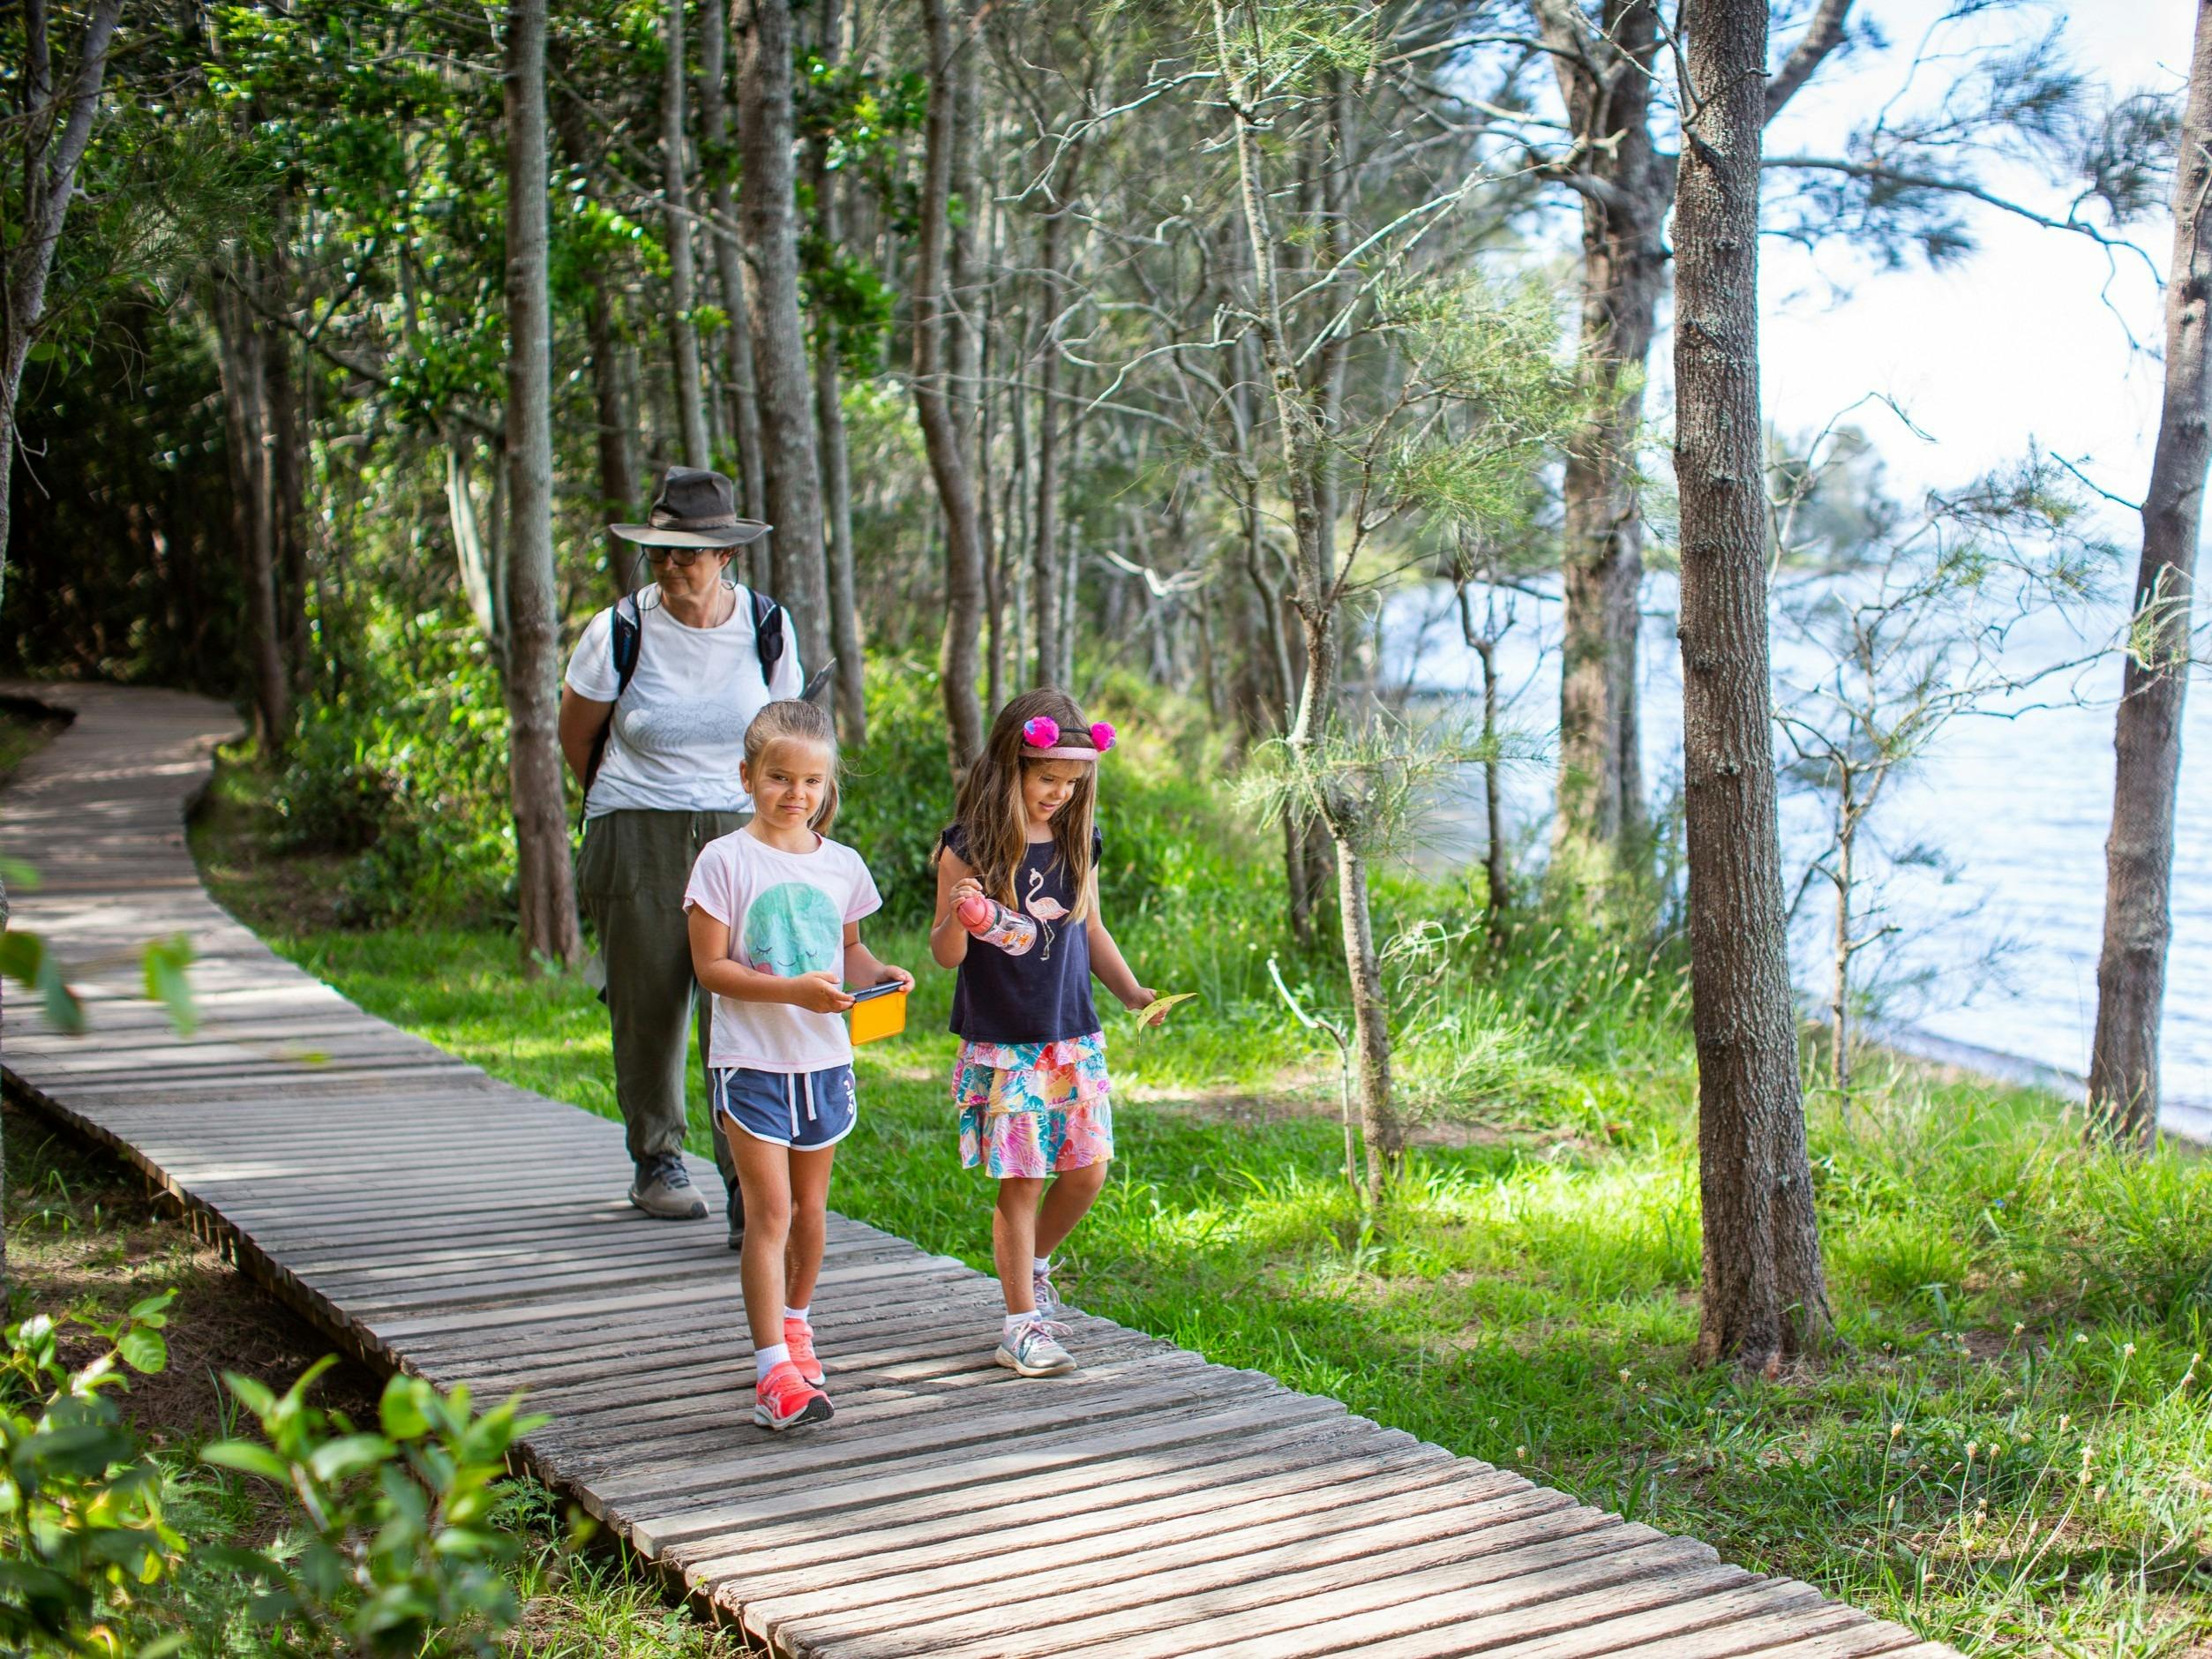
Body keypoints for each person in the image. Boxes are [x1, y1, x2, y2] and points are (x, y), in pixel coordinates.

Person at [559, 466, 804, 1239]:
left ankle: (743, 1179)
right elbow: (578, 735)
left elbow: (785, 733)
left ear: (725, 556)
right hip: (637, 828)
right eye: (659, 551)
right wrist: (629, 806)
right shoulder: (618, 629)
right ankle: (656, 1159)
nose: (670, 565)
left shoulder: (766, 625)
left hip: (739, 832)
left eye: (687, 553)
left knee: (742, 1003)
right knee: (650, 1005)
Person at [686, 700, 909, 1430]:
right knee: (769, 1211)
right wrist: (792, 992)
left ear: (827, 786)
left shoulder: (842, 865)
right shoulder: (723, 860)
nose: (796, 795)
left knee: (812, 1211)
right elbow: (711, 968)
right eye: (779, 777)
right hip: (750, 1061)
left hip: (824, 1061)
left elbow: (849, 951)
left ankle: (797, 1323)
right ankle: (769, 1371)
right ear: (747, 775)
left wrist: (879, 975)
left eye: (811, 781)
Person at [929, 688, 1160, 1377]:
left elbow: (1086, 925)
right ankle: (1020, 1323)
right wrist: (959, 916)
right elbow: (944, 955)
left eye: (1071, 782)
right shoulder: (967, 846)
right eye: (1046, 779)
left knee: (1087, 1172)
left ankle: (1032, 1269)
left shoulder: (1075, 839)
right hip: (1007, 1038)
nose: (1059, 793)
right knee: (1023, 1180)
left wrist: (1128, 990)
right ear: (1011, 767)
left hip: (1070, 1034)